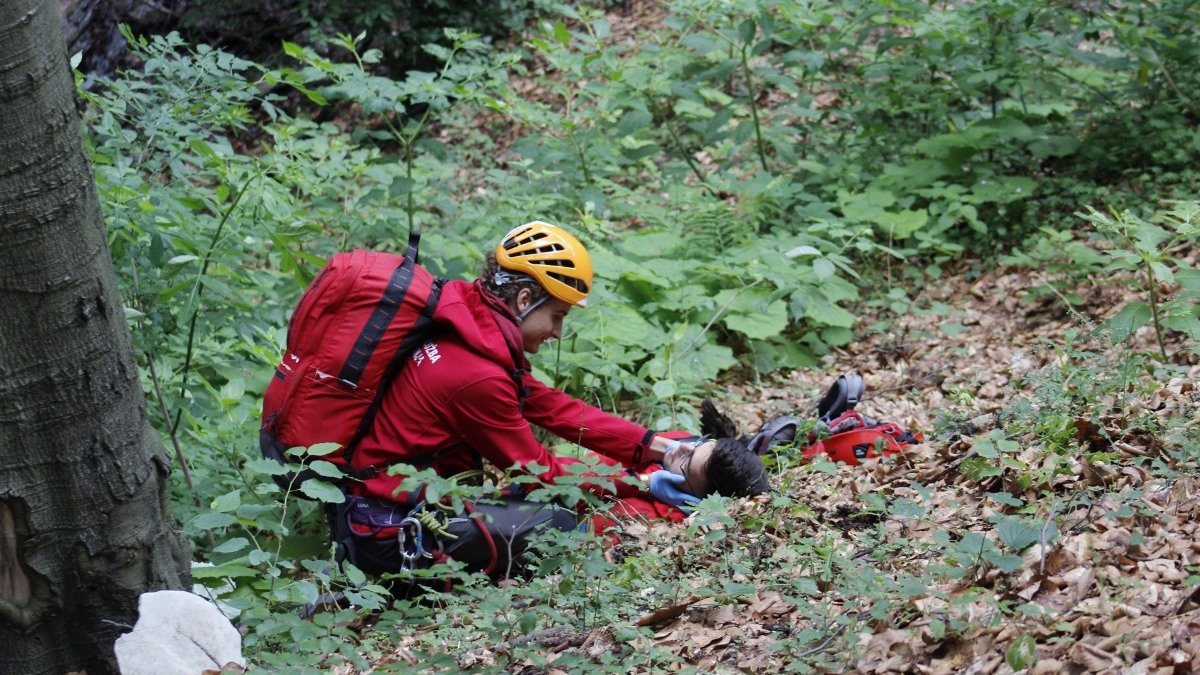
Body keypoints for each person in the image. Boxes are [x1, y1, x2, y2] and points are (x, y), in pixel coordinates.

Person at [334, 221, 766, 581]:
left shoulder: (470, 325)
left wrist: (662, 448)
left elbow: (557, 408)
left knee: (539, 508)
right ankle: (394, 585)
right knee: (554, 525)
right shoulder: (476, 375)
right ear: (525, 300)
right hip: (385, 532)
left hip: (380, 506)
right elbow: (542, 473)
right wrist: (644, 482)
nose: (558, 332)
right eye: (557, 315)